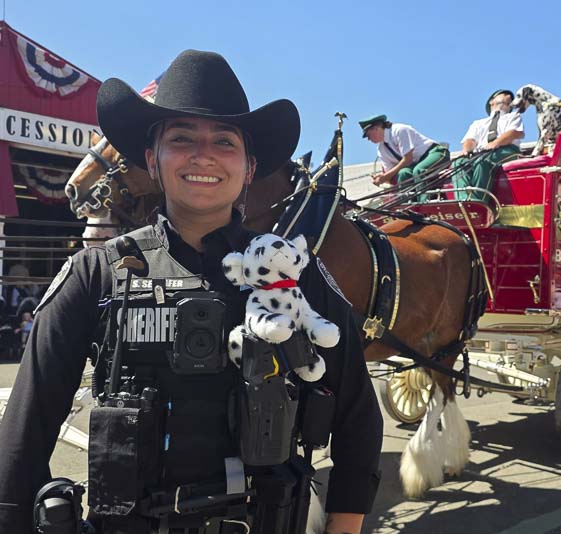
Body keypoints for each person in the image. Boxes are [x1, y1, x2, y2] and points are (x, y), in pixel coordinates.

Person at [0, 50, 382, 534]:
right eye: (181, 139)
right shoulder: (95, 273)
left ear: (248, 168)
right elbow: (25, 430)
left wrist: (343, 526)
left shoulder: (295, 274)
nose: (203, 155)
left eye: (224, 141)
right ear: (151, 160)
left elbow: (358, 415)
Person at [451, 89, 524, 201]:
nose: (509, 96)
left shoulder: (513, 116)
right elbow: (469, 139)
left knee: (482, 160)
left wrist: (495, 143)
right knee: (458, 163)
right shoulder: (478, 123)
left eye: (510, 97)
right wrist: (467, 150)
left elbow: (514, 133)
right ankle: (463, 199)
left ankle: (479, 201)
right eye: (504, 94)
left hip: (507, 150)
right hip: (482, 152)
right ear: (492, 102)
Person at [359, 115, 450, 202]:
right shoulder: (381, 149)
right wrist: (381, 178)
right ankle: (409, 205)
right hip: (415, 164)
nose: (369, 139)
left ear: (376, 128)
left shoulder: (399, 130)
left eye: (369, 135)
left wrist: (385, 176)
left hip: (434, 153)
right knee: (403, 173)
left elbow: (408, 159)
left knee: (419, 171)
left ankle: (424, 202)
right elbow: (391, 173)